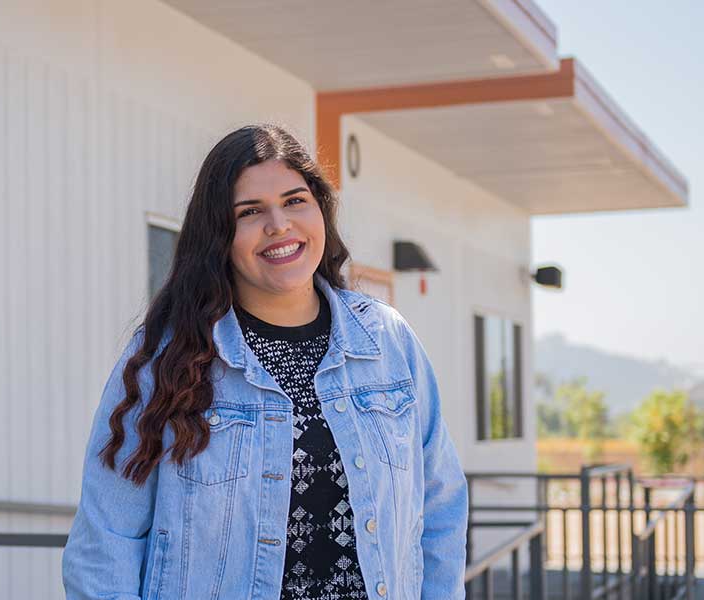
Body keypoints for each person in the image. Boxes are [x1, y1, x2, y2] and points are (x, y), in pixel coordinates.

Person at [61, 123, 468, 599]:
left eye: (295, 201)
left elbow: (440, 509)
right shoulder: (167, 359)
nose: (279, 224)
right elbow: (105, 544)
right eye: (250, 211)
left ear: (320, 210)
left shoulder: (387, 342)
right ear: (220, 235)